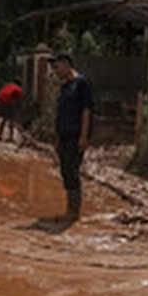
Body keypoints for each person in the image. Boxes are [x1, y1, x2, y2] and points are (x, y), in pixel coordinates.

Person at [52, 52, 94, 222]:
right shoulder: (65, 86)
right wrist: (57, 137)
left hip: (75, 134)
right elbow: (60, 113)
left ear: (67, 64)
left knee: (71, 170)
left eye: (57, 66)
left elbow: (86, 110)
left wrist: (84, 136)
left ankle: (74, 211)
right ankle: (70, 209)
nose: (55, 71)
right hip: (63, 134)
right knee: (64, 170)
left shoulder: (81, 83)